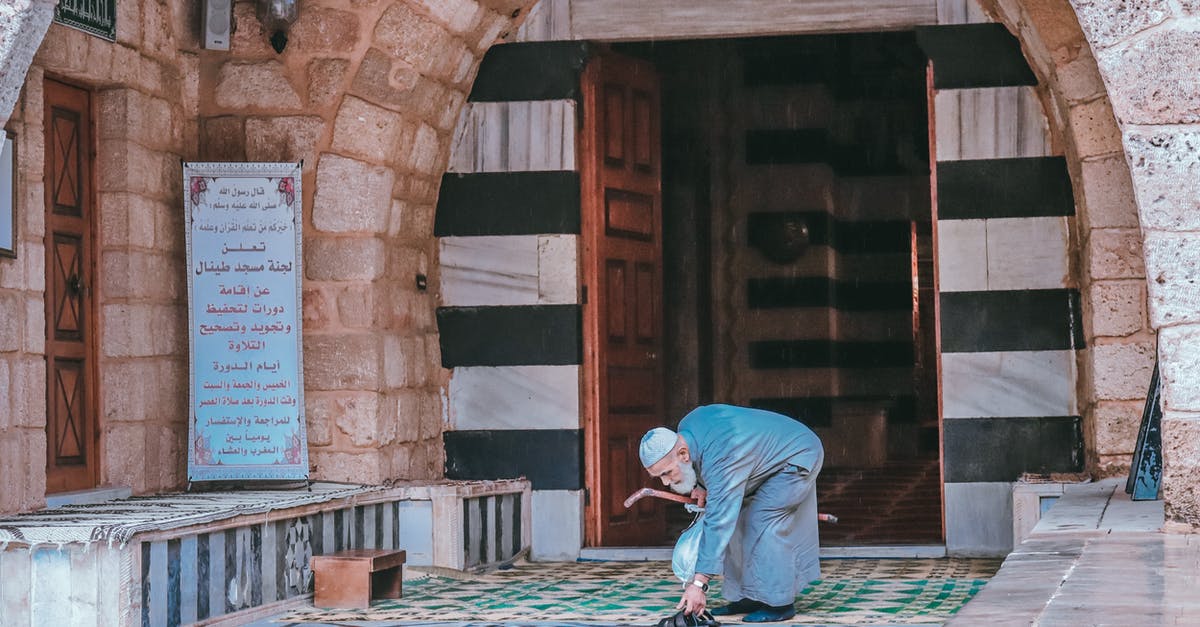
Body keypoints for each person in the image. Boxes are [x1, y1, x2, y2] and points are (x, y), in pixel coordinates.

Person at [639, 404, 824, 623]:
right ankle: (749, 596)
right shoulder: (687, 429)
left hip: (798, 455)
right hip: (762, 456)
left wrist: (698, 584)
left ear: (683, 454)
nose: (666, 482)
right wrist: (700, 484)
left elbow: (719, 521)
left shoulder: (724, 454)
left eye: (667, 473)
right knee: (739, 519)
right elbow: (705, 463)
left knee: (761, 520)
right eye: (659, 477)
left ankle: (779, 604)